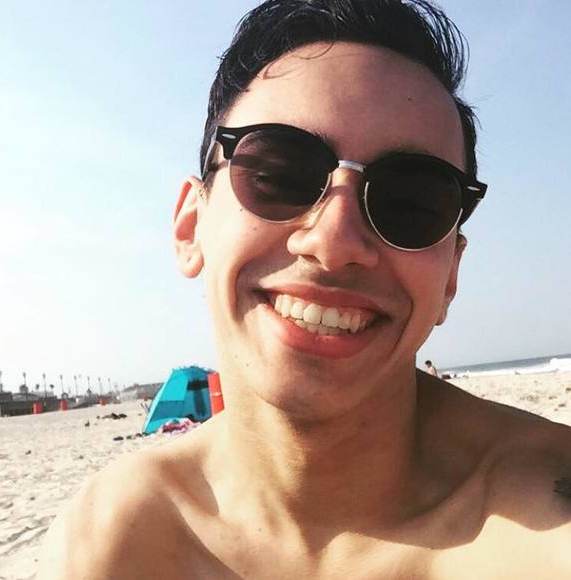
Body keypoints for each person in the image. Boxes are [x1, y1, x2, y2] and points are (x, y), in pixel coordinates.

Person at [37, 1, 571, 578]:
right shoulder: (112, 544)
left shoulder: (546, 514)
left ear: (450, 277)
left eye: (412, 203)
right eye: (279, 173)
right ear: (191, 226)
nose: (334, 242)